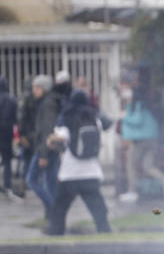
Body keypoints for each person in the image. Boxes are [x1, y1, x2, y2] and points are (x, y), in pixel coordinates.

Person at [44, 89, 112, 236]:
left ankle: (55, 235)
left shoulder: (67, 118)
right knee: (98, 209)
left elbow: (57, 138)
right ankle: (105, 233)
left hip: (70, 174)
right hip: (92, 173)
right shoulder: (94, 119)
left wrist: (50, 141)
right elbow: (107, 124)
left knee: (59, 208)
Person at [26, 74, 65, 220]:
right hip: (49, 149)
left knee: (32, 180)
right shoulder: (46, 102)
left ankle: (54, 210)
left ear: (43, 88)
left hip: (45, 149)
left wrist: (43, 154)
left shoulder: (48, 103)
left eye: (36, 88)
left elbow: (47, 130)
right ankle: (53, 214)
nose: (34, 91)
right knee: (50, 183)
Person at [119, 80, 164, 202]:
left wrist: (124, 116)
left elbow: (137, 121)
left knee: (131, 164)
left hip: (142, 139)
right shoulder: (143, 105)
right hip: (151, 138)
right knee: (147, 166)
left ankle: (132, 191)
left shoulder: (136, 105)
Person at [0, 76, 17, 197]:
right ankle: (7, 185)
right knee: (7, 160)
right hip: (7, 134)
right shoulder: (11, 99)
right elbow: (16, 117)